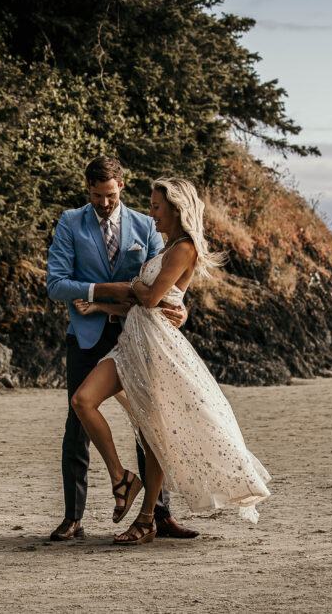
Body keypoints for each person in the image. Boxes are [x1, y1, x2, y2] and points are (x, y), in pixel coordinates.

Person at [70, 177, 271, 545]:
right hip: (132, 344)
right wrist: (101, 306)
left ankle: (147, 519)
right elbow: (148, 304)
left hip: (157, 349)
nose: (151, 213)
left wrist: (129, 286)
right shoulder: (166, 247)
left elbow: (150, 299)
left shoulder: (185, 248)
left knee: (154, 436)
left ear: (176, 209)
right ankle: (122, 477)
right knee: (83, 400)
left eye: (156, 206)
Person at [45, 158, 200, 541]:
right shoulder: (70, 222)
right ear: (87, 188)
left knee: (149, 424)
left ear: (122, 186)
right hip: (87, 335)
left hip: (139, 335)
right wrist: (99, 292)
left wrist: (181, 310)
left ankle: (158, 514)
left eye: (111, 196)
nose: (104, 203)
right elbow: (56, 285)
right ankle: (73, 517)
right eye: (97, 196)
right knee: (77, 421)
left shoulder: (147, 225)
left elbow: (167, 281)